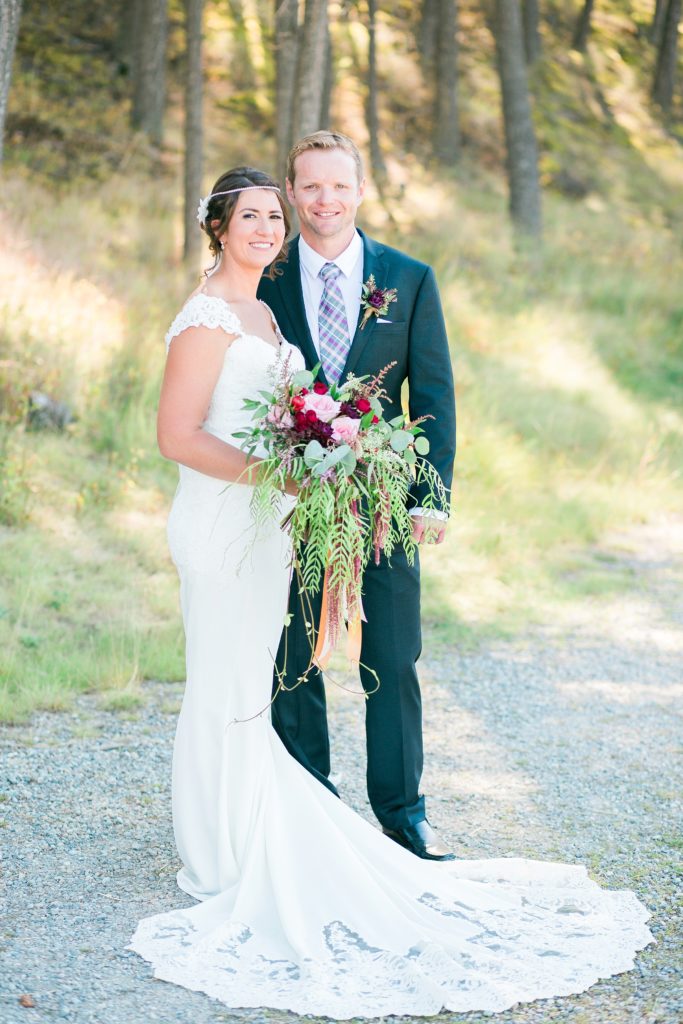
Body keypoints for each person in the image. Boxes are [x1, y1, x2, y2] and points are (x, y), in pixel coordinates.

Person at [129, 165, 652, 1017]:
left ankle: (340, 821)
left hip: (273, 524)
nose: (267, 227)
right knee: (229, 681)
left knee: (276, 676)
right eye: (252, 214)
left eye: (273, 214)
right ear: (216, 226)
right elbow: (176, 435)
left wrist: (356, 474)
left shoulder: (276, 307)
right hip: (228, 525)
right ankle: (220, 853)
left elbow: (419, 395)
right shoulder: (207, 317)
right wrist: (285, 475)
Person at [258, 130, 456, 860]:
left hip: (383, 500)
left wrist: (430, 495)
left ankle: (404, 815)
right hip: (291, 497)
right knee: (294, 655)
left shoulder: (408, 278)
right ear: (291, 191)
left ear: (360, 191)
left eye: (338, 186)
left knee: (394, 655)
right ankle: (311, 806)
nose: (325, 201)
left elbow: (432, 394)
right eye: (310, 186)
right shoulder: (265, 277)